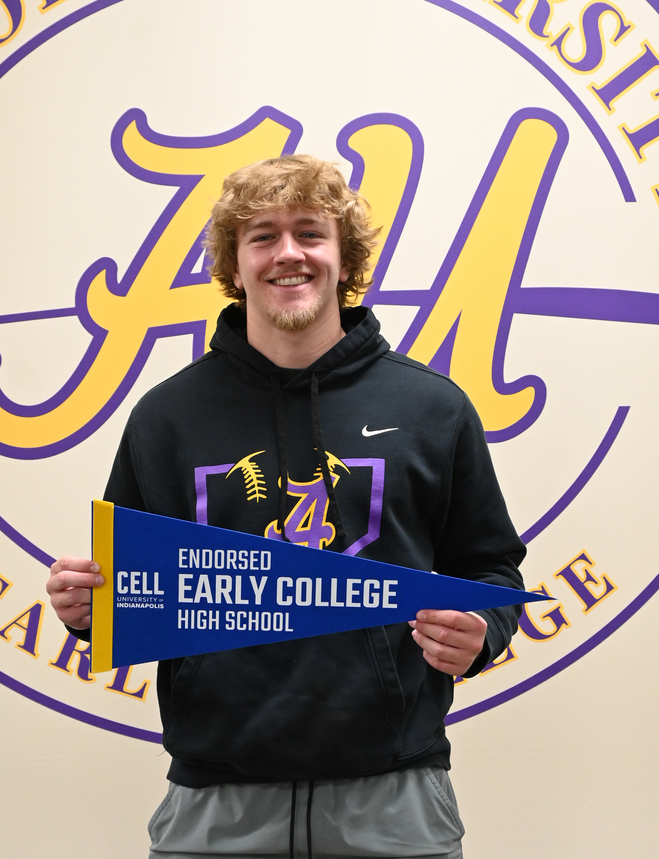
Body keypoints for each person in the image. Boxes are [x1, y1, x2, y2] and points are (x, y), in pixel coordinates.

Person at [47, 154, 526, 859]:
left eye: (310, 232)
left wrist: (481, 628)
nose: (288, 253)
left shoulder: (431, 409)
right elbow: (127, 592)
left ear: (344, 258)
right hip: (215, 803)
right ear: (234, 267)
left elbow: (491, 570)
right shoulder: (167, 417)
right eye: (262, 236)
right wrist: (87, 608)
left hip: (393, 800)